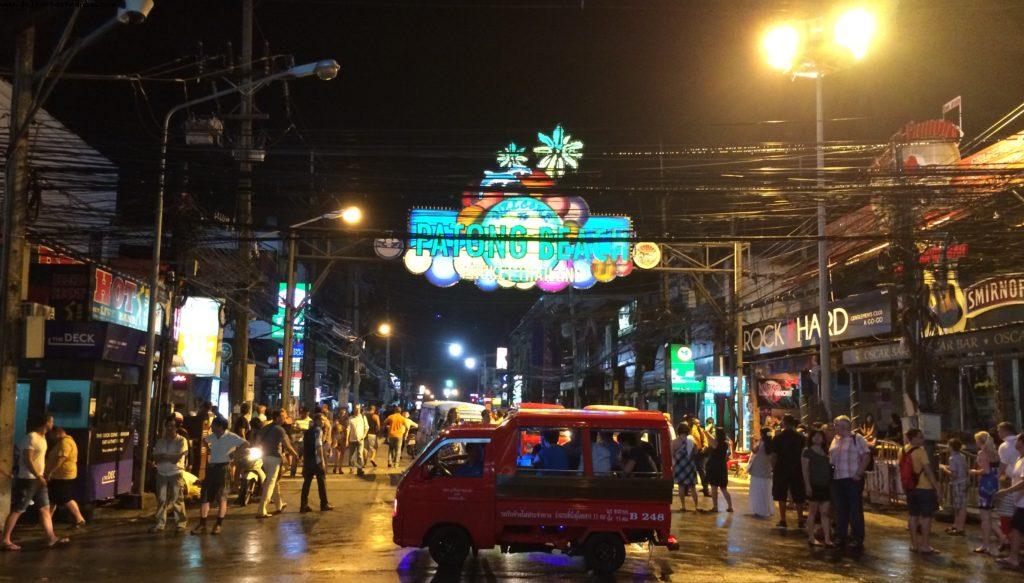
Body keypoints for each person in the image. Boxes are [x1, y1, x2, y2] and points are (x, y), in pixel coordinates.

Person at [2, 414, 68, 550]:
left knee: (44, 508)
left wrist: (40, 476)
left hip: (38, 479)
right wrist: (38, 476)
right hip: (28, 479)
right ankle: (5, 540)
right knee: (19, 509)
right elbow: (28, 459)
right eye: (51, 421)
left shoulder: (42, 438)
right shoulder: (31, 437)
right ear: (46, 423)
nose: (52, 424)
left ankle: (51, 538)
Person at [192, 417, 247, 535]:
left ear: (220, 426)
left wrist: (234, 453)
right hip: (211, 468)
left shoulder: (231, 436)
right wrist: (209, 450)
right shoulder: (213, 436)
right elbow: (204, 440)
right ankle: (202, 524)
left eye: (213, 425)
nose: (211, 427)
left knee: (222, 497)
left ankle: (218, 524)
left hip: (224, 468)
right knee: (205, 496)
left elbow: (245, 443)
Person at [829, 415, 871, 549]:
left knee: (855, 509)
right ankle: (841, 535)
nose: (835, 427)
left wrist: (859, 473)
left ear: (845, 426)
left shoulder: (857, 439)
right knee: (841, 509)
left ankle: (857, 537)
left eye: (837, 424)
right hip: (838, 478)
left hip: (853, 478)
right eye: (836, 424)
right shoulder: (835, 440)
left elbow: (866, 456)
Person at [900, 428, 939, 554]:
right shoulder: (921, 451)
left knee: (912, 515)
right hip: (924, 488)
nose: (923, 439)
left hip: (910, 488)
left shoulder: (902, 450)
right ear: (914, 438)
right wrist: (937, 487)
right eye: (920, 437)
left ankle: (914, 544)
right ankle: (925, 545)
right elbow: (928, 470)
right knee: (926, 517)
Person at [257, 410, 298, 519]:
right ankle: (262, 510)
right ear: (277, 418)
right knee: (270, 483)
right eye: (283, 417)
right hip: (274, 459)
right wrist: (295, 455)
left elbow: (257, 440)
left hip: (264, 457)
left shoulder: (266, 427)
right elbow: (288, 446)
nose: (285, 418)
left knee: (274, 482)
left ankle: (278, 504)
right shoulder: (280, 430)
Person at [151, 416, 189, 532]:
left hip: (175, 473)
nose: (170, 428)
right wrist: (165, 457)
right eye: (168, 426)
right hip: (161, 473)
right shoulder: (160, 441)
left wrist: (163, 456)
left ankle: (181, 523)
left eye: (172, 426)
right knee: (161, 499)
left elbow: (176, 458)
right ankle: (160, 523)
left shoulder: (181, 440)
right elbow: (155, 458)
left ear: (176, 428)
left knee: (177, 499)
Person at [973, 430, 1008, 555]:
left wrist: (974, 471)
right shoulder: (994, 453)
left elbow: (985, 471)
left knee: (985, 518)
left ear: (979, 441)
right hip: (994, 484)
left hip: (985, 485)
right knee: (989, 516)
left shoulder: (982, 453)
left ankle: (985, 545)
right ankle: (1003, 538)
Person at [993, 433, 1024, 569]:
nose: (1015, 442)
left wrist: (1006, 491)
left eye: (1017, 440)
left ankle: (1013, 558)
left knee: (1016, 530)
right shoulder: (1019, 458)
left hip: (1023, 503)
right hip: (1020, 502)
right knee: (1016, 529)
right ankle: (1013, 557)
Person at [45, 427, 85, 528]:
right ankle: (47, 520)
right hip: (61, 475)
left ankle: (79, 519)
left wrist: (50, 471)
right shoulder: (65, 441)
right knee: (54, 498)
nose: (51, 437)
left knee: (65, 498)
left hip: (62, 475)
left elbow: (61, 458)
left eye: (52, 435)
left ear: (58, 433)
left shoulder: (65, 443)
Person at [770, 414, 806, 529]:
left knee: (781, 495)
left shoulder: (778, 437)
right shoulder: (801, 438)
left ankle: (783, 519)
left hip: (781, 468)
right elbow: (804, 455)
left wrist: (773, 468)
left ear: (784, 423)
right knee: (798, 495)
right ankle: (800, 520)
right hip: (797, 468)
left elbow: (774, 456)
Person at [802, 428, 834, 547]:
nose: (817, 438)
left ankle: (827, 538)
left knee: (825, 512)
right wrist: (807, 485)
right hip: (814, 484)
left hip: (825, 484)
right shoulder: (807, 452)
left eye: (820, 436)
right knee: (813, 512)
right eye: (814, 436)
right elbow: (804, 470)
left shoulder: (826, 452)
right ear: (811, 438)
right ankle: (811, 537)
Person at [300, 413, 334, 513]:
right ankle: (324, 504)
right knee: (322, 482)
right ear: (317, 420)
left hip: (308, 460)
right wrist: (322, 460)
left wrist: (302, 457)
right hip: (316, 460)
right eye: (322, 420)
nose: (324, 422)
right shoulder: (318, 430)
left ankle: (303, 505)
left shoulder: (308, 431)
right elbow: (318, 446)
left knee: (306, 483)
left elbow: (303, 446)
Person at [996, 422, 1021, 543]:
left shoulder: (1004, 446)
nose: (998, 433)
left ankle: (1008, 540)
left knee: (1006, 513)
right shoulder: (1018, 441)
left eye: (999, 430)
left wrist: (997, 478)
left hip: (1010, 481)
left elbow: (1003, 465)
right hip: (1017, 481)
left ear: (1005, 430)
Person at [939, 438, 968, 536]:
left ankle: (960, 527)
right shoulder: (962, 456)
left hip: (958, 482)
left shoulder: (953, 458)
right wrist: (947, 467)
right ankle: (956, 525)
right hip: (963, 481)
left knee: (960, 506)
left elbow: (954, 474)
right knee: (957, 505)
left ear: (951, 447)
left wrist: (943, 468)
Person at [671, 422, 699, 512]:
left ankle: (683, 506)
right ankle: (696, 506)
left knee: (681, 486)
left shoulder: (675, 442)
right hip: (690, 465)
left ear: (678, 431)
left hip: (679, 466)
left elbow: (671, 455)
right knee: (693, 487)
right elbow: (696, 452)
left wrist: (673, 466)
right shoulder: (691, 441)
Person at [704, 427, 733, 512]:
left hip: (714, 466)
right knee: (724, 488)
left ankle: (715, 507)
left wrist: (710, 426)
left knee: (714, 487)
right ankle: (730, 506)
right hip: (722, 466)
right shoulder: (726, 444)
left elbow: (705, 432)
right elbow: (728, 455)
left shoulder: (715, 443)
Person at [747, 428, 774, 519]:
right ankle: (766, 509)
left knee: (758, 490)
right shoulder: (771, 444)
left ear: (762, 435)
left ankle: (759, 509)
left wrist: (751, 441)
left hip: (757, 470)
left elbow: (754, 450)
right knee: (766, 491)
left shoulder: (761, 443)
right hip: (766, 470)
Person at [347, 405, 368, 475]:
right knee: (351, 455)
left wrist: (364, 436)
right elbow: (348, 429)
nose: (357, 410)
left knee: (359, 454)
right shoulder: (350, 418)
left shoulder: (363, 417)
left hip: (360, 439)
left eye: (358, 409)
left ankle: (359, 469)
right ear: (353, 410)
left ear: (360, 410)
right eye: (356, 409)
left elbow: (366, 427)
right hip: (352, 439)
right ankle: (351, 469)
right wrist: (347, 439)